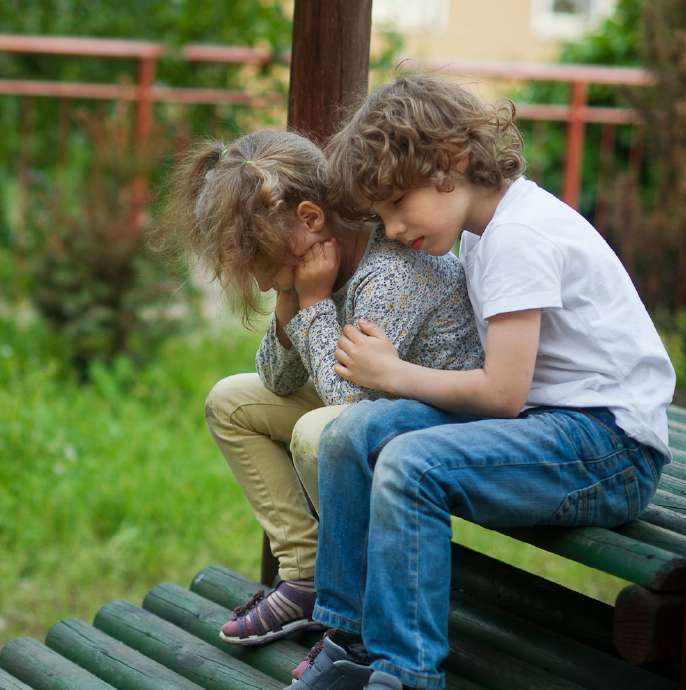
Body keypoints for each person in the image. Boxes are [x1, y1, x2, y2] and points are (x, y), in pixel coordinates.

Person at [292, 75, 676, 690]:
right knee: (352, 435)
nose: (393, 229)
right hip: (548, 427)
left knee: (412, 466)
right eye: (382, 215)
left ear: (450, 161)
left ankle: (404, 673)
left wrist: (393, 374)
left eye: (397, 204)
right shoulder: (485, 232)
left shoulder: (518, 237)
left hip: (610, 451)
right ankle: (350, 638)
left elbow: (502, 394)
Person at [160, 129, 482, 648]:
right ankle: (306, 577)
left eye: (264, 265)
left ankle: (356, 591)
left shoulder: (391, 273)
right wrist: (291, 305)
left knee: (318, 432)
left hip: (438, 422)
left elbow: (351, 410)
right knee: (231, 402)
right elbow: (277, 380)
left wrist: (312, 305)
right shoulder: (317, 264)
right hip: (375, 408)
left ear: (310, 218)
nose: (263, 284)